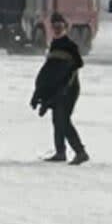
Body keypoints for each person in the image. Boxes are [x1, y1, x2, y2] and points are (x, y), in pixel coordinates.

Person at [31, 12, 89, 164]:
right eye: (54, 26)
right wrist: (38, 93)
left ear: (65, 27)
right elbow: (47, 73)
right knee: (57, 120)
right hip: (58, 89)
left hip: (68, 90)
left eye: (60, 26)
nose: (57, 29)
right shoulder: (54, 45)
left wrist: (63, 89)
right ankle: (60, 152)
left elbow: (75, 67)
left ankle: (80, 152)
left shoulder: (70, 46)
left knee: (63, 120)